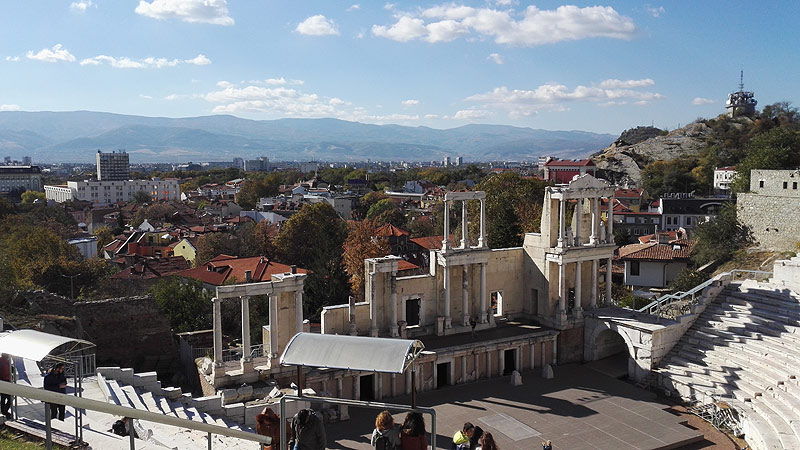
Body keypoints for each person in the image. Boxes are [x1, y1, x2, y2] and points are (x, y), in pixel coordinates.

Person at [0, 353, 12, 420]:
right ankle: (4, 411)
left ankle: (4, 411)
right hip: (4, 381)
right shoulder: (4, 362)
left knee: (5, 398)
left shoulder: (6, 362)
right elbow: (6, 371)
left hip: (6, 381)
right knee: (7, 398)